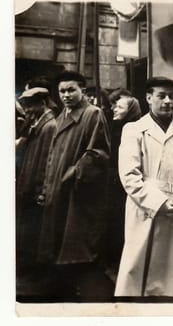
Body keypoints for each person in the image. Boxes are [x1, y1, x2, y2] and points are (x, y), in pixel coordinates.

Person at [115, 77, 173, 298]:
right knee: (141, 275)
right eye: (161, 96)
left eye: (172, 97)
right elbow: (129, 175)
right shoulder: (134, 129)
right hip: (146, 208)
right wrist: (160, 203)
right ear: (148, 98)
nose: (167, 101)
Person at [37, 71, 112, 301]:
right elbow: (52, 156)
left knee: (78, 249)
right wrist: (47, 187)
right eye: (62, 91)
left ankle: (87, 297)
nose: (66, 95)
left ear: (83, 91)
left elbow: (98, 152)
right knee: (58, 244)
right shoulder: (60, 118)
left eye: (71, 90)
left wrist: (74, 173)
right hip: (58, 190)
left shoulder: (93, 114)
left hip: (78, 192)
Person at [16, 87, 57, 282]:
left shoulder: (50, 126)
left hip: (35, 187)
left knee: (31, 228)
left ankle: (30, 268)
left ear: (42, 103)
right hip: (29, 183)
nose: (28, 110)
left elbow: (47, 160)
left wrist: (42, 189)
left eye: (31, 106)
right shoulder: (40, 122)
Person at [105, 95, 142, 279]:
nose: (114, 109)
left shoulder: (135, 129)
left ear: (130, 109)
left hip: (125, 184)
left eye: (119, 107)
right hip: (113, 181)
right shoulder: (115, 127)